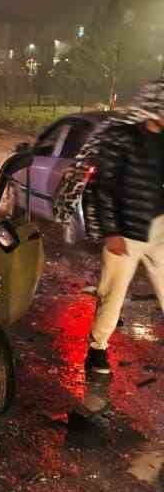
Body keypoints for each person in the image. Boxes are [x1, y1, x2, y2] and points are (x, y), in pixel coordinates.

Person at [79, 78, 164, 376]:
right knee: (112, 295)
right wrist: (111, 231)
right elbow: (101, 188)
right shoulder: (124, 138)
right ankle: (97, 350)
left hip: (160, 231)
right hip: (126, 232)